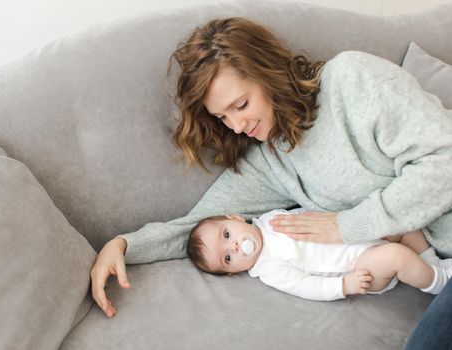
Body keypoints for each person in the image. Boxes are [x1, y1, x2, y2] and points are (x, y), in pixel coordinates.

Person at [90, 16, 452, 326]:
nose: (235, 125)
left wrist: (348, 226)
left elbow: (445, 158)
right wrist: (123, 245)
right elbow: (201, 226)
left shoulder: (351, 79)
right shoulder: (271, 162)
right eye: (222, 116)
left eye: (241, 104)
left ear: (269, 73)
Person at [186, 208, 452, 301]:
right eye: (228, 259)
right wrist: (342, 285)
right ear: (234, 272)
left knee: (405, 225)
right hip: (362, 266)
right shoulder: (268, 269)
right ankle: (438, 283)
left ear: (234, 219)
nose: (233, 247)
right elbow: (305, 286)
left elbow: (309, 213)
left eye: (227, 235)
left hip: (358, 235)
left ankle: (432, 263)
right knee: (396, 256)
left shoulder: (269, 219)